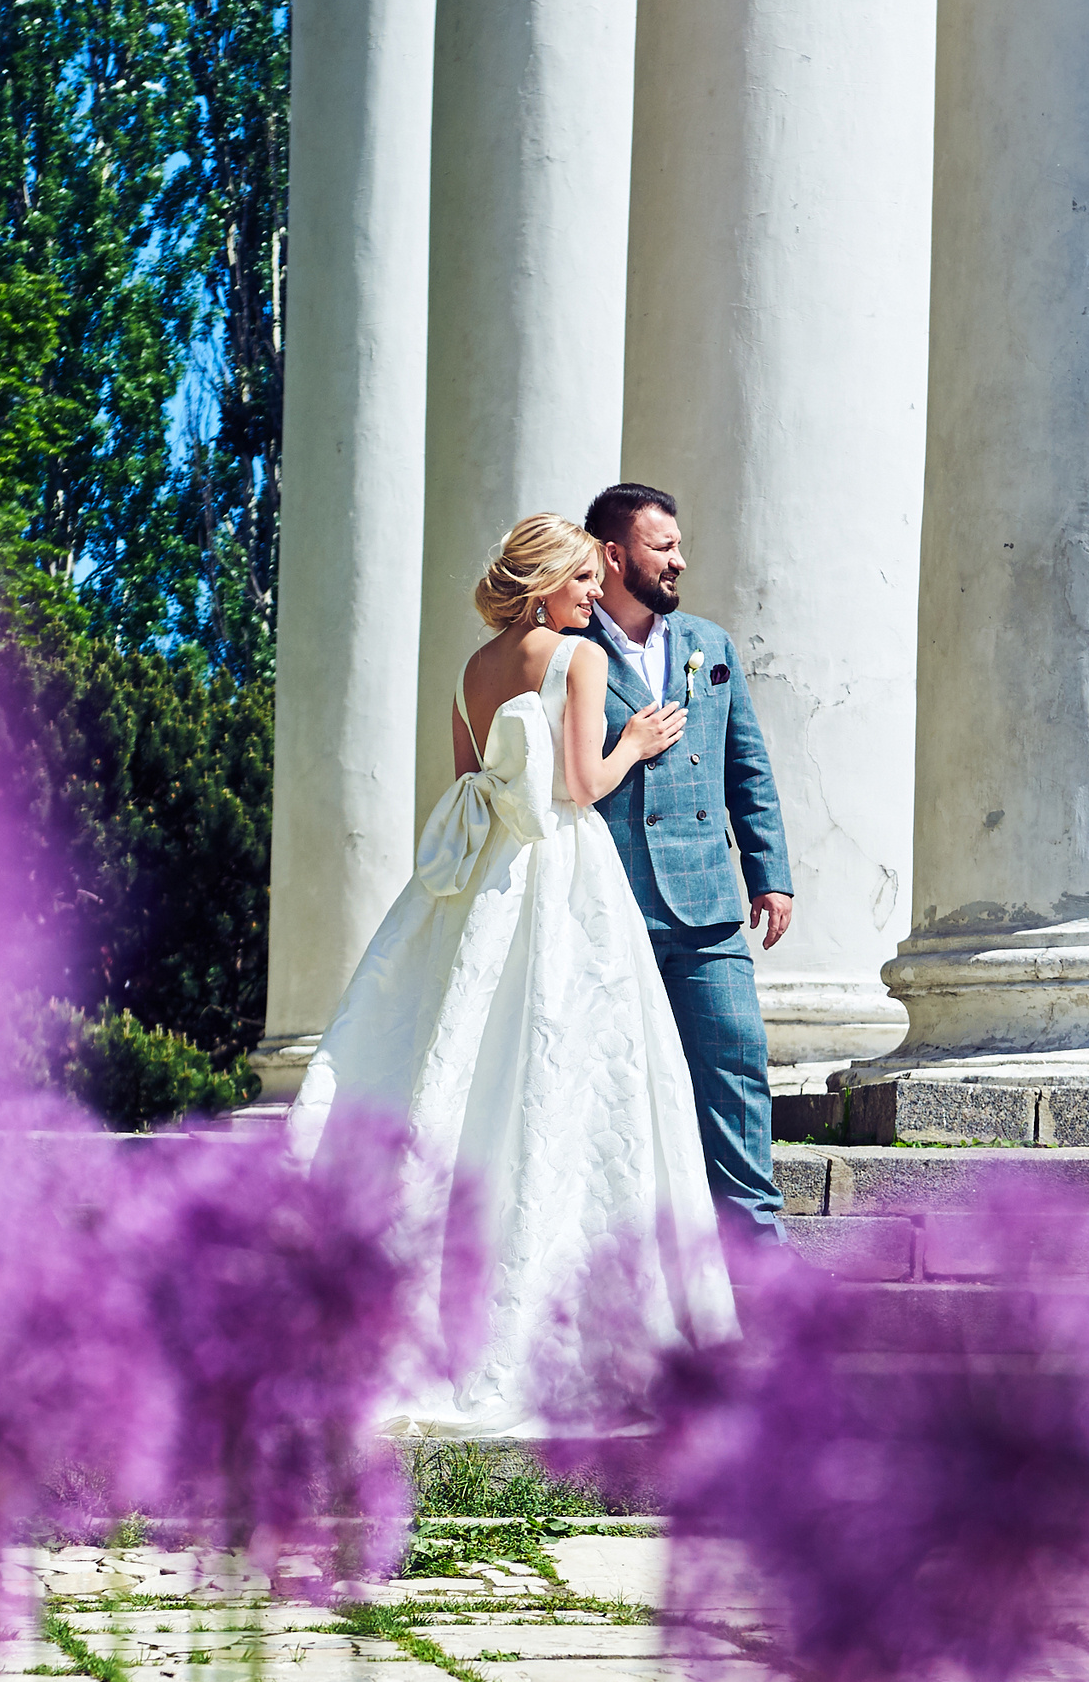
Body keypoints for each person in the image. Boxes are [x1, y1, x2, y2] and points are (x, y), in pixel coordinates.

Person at [287, 512, 737, 1434]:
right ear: (546, 588)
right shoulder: (579, 662)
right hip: (564, 877)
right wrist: (637, 745)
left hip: (484, 880)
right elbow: (581, 787)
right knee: (570, 1061)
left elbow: (467, 788)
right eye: (580, 581)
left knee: (466, 1050)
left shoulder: (471, 670)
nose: (593, 595)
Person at [581, 482, 792, 1239]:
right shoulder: (567, 650)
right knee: (619, 1093)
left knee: (736, 1068)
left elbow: (748, 767)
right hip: (610, 909)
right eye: (662, 547)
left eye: (678, 545)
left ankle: (758, 1254)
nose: (679, 560)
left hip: (706, 904)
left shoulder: (711, 643)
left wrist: (768, 874)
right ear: (614, 555)